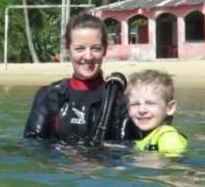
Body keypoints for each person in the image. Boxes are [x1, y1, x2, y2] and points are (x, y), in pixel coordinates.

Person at [23, 13, 138, 143]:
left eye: (95, 48)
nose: (88, 56)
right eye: (79, 49)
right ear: (68, 49)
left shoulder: (119, 101)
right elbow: (33, 146)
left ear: (105, 49)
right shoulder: (49, 96)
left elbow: (127, 150)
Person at [126, 69, 189, 155]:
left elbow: (174, 165)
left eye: (150, 103)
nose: (141, 110)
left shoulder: (168, 137)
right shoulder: (147, 137)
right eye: (135, 104)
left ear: (169, 108)